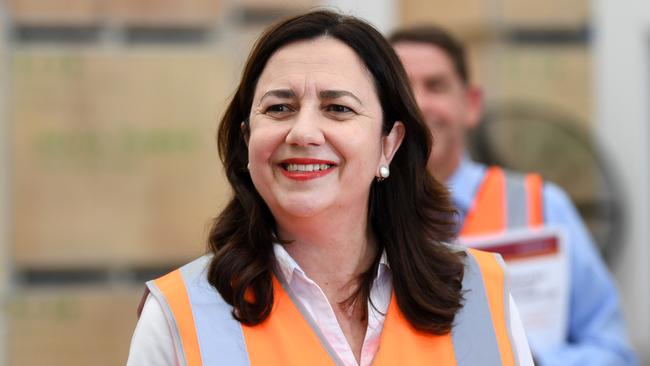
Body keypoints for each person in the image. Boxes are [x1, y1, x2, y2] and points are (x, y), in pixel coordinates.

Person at [127, 10, 533, 366]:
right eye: (278, 108)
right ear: (248, 140)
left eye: (338, 108)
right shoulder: (179, 315)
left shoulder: (480, 292)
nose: (303, 132)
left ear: (388, 144)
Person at [390, 25, 638, 365]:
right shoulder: (355, 216)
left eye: (436, 85)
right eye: (403, 89)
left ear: (471, 104)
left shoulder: (543, 206)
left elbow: (613, 352)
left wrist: (531, 361)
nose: (418, 103)